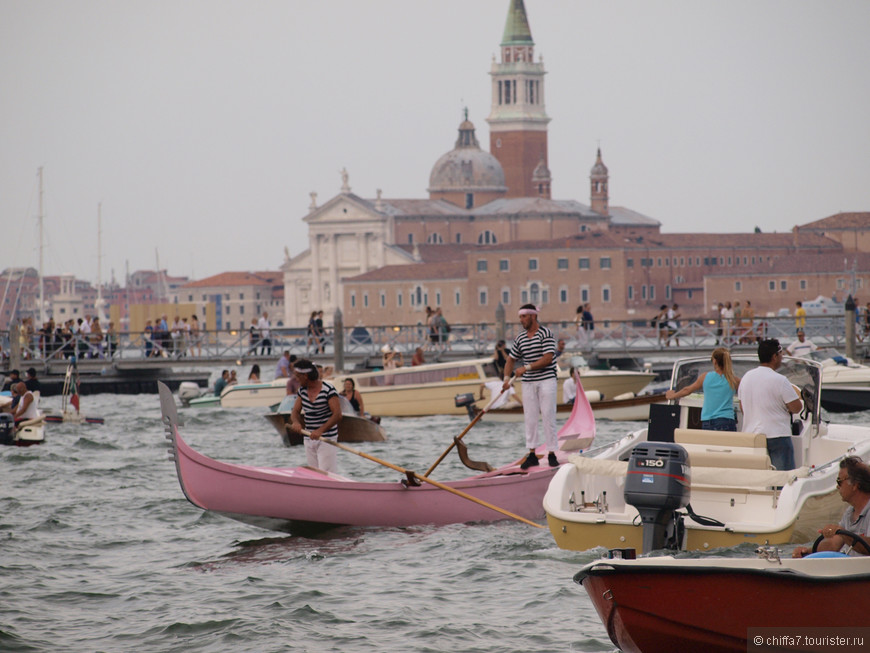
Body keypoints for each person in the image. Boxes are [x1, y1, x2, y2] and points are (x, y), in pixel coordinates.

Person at [502, 304, 559, 469]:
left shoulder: (545, 333)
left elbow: (548, 358)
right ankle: (532, 454)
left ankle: (552, 453)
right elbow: (511, 360)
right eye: (520, 317)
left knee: (548, 415)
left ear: (533, 317)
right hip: (528, 383)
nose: (521, 320)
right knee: (530, 418)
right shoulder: (520, 338)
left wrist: (526, 367)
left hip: (546, 379)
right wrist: (506, 379)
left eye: (523, 317)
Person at [737, 339, 803, 470]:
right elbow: (796, 408)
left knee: (757, 479)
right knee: (781, 479)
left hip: (752, 437)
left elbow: (742, 407)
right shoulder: (780, 380)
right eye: (781, 353)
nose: (782, 356)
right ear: (774, 356)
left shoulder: (746, 377)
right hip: (777, 435)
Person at [793, 456, 870, 557]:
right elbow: (834, 544)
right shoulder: (849, 513)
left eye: (839, 481)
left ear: (855, 484)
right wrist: (807, 552)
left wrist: (842, 533)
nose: (837, 486)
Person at [666, 348, 740, 431]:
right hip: (727, 420)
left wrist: (673, 395)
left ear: (715, 361)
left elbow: (687, 390)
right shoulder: (734, 380)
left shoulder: (705, 377)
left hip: (708, 421)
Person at [289, 359, 342, 473]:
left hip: (326, 438)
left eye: (298, 376)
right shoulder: (302, 391)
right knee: (314, 474)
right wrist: (296, 422)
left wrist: (320, 430)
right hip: (309, 438)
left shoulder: (328, 390)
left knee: (326, 473)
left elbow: (337, 415)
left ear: (306, 376)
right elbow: (295, 412)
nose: (296, 380)